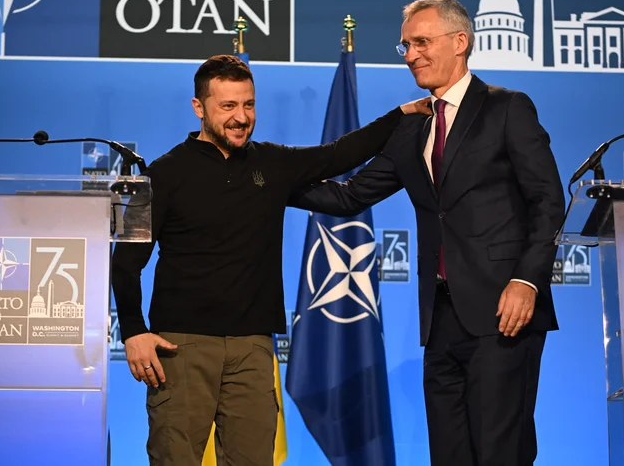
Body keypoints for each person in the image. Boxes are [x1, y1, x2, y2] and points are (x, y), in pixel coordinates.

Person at [110, 54, 431, 466]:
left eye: (248, 104)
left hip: (253, 348)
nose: (241, 117)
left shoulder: (272, 163)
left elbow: (338, 155)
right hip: (182, 346)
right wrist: (134, 332)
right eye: (227, 106)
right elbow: (126, 261)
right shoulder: (163, 173)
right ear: (199, 108)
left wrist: (400, 115)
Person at [288, 0, 565, 466]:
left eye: (421, 42)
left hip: (504, 312)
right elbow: (349, 196)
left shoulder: (507, 108)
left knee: (501, 451)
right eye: (405, 46)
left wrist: (527, 280)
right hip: (440, 319)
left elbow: (548, 201)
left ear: (461, 42)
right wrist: (266, 182)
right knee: (449, 454)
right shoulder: (412, 128)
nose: (411, 54)